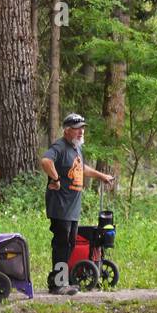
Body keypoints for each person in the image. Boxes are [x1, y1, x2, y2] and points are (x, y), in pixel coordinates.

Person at [40, 113, 114, 295]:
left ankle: (60, 280)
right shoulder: (60, 146)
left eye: (82, 128)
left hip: (72, 209)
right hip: (60, 206)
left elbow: (81, 168)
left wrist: (101, 176)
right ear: (67, 130)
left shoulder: (76, 148)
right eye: (77, 128)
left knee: (70, 244)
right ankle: (58, 284)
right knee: (62, 244)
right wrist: (55, 178)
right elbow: (45, 160)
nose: (81, 131)